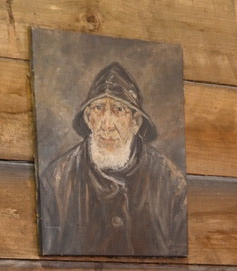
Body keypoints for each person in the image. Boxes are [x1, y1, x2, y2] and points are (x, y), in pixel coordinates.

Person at [38, 61, 188, 256]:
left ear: (135, 122)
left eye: (118, 109)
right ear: (88, 118)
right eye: (99, 108)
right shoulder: (55, 181)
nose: (107, 124)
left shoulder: (171, 182)